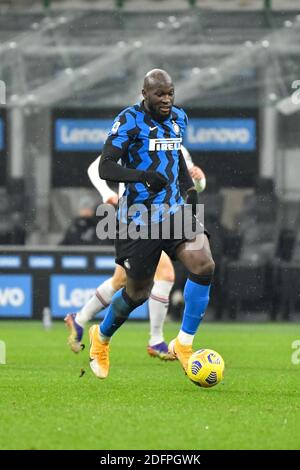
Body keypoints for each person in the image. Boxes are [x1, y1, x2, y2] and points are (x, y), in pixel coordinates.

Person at [88, 69, 215, 379]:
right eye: (160, 94)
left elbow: (177, 167)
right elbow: (106, 166)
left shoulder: (178, 119)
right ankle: (100, 338)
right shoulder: (129, 121)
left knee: (203, 263)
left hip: (174, 213)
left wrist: (190, 200)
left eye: (171, 93)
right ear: (144, 94)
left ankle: (184, 344)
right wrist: (144, 176)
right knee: (137, 292)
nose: (167, 99)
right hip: (138, 220)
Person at [65, 147, 206, 360]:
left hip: (166, 218)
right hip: (135, 218)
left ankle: (80, 318)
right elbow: (96, 167)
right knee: (165, 275)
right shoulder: (136, 138)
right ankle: (156, 340)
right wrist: (107, 194)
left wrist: (200, 181)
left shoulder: (179, 149)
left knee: (121, 280)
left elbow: (189, 186)